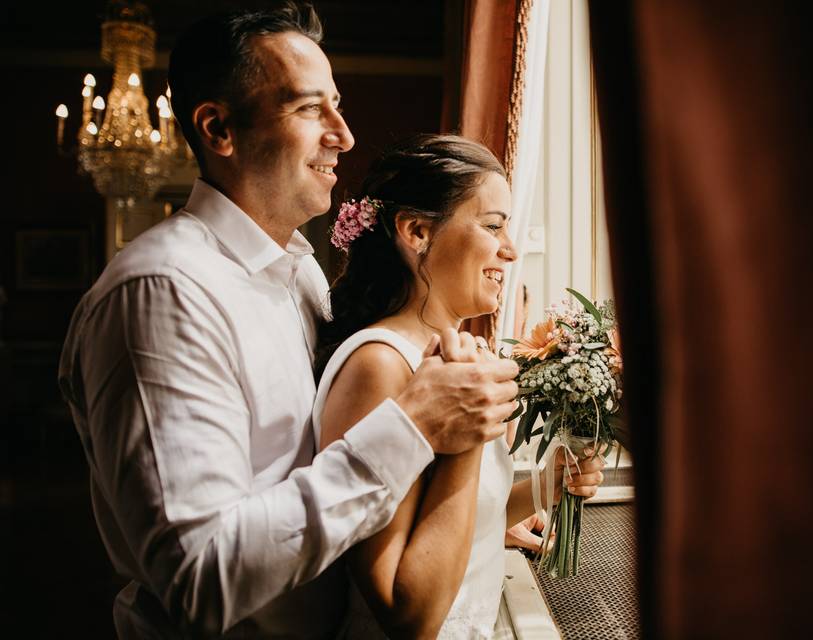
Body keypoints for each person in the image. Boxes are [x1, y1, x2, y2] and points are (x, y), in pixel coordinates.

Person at [57, 4, 519, 638]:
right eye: (309, 110)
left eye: (337, 104)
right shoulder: (163, 291)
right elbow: (201, 578)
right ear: (219, 129)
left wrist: (478, 514)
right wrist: (412, 427)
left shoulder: (299, 274)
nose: (344, 134)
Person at [313, 134, 606, 639]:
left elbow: (458, 523)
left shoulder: (452, 353)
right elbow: (407, 615)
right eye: (493, 226)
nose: (510, 250)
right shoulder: (380, 366)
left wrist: (546, 485)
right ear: (417, 230)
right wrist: (469, 433)